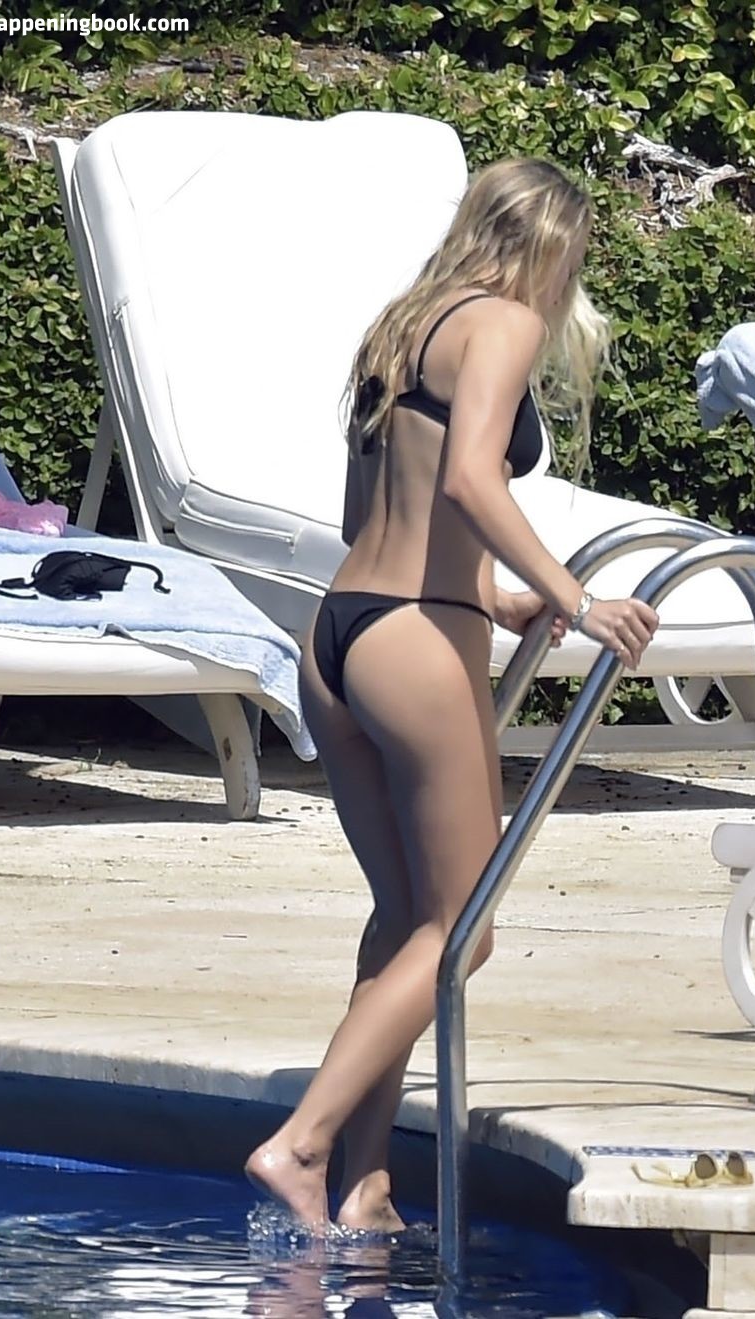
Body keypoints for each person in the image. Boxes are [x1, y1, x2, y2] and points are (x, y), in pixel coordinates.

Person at [245, 158, 660, 1229]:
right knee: (464, 928)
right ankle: (301, 1143)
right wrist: (573, 596)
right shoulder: (505, 324)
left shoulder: (401, 327)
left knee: (405, 918)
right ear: (550, 247)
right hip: (416, 644)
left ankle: (363, 1181)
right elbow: (474, 477)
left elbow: (374, 515)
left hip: (341, 629)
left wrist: (501, 599)